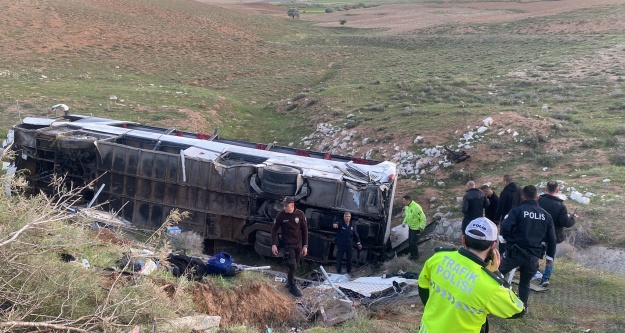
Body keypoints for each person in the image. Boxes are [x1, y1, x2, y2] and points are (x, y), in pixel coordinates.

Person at [418, 217, 525, 333]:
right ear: (492, 246)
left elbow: (423, 288)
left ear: (463, 239)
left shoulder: (438, 258)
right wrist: (496, 274)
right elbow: (518, 310)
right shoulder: (490, 286)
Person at [499, 185, 556, 310]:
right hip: (534, 256)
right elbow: (552, 239)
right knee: (525, 283)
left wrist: (504, 239)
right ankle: (522, 308)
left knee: (496, 275)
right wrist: (550, 257)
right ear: (537, 197)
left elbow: (505, 225)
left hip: (515, 252)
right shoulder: (546, 215)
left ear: (522, 197)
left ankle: (496, 300)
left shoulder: (517, 210)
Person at [537, 180, 576, 287]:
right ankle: (545, 278)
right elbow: (566, 223)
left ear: (546, 189)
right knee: (550, 257)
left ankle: (532, 272)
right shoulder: (560, 205)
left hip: (537, 233)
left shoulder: (539, 201)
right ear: (557, 190)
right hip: (552, 235)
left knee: (534, 253)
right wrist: (573, 218)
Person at [271, 197, 308, 297]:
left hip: (298, 244)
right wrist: (273, 244)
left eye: (286, 205)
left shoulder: (300, 214)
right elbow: (274, 230)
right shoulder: (281, 215)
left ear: (292, 205)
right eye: (283, 205)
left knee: (296, 265)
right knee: (292, 265)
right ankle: (292, 286)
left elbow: (305, 230)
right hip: (288, 245)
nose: (284, 207)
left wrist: (305, 245)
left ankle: (289, 282)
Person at [402, 195, 426, 260]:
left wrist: (421, 227)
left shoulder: (416, 207)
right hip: (411, 227)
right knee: (410, 242)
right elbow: (407, 216)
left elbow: (423, 217)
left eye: (404, 201)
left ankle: (415, 257)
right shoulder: (407, 207)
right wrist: (404, 222)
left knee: (413, 243)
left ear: (408, 201)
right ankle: (412, 255)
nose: (403, 202)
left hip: (416, 229)